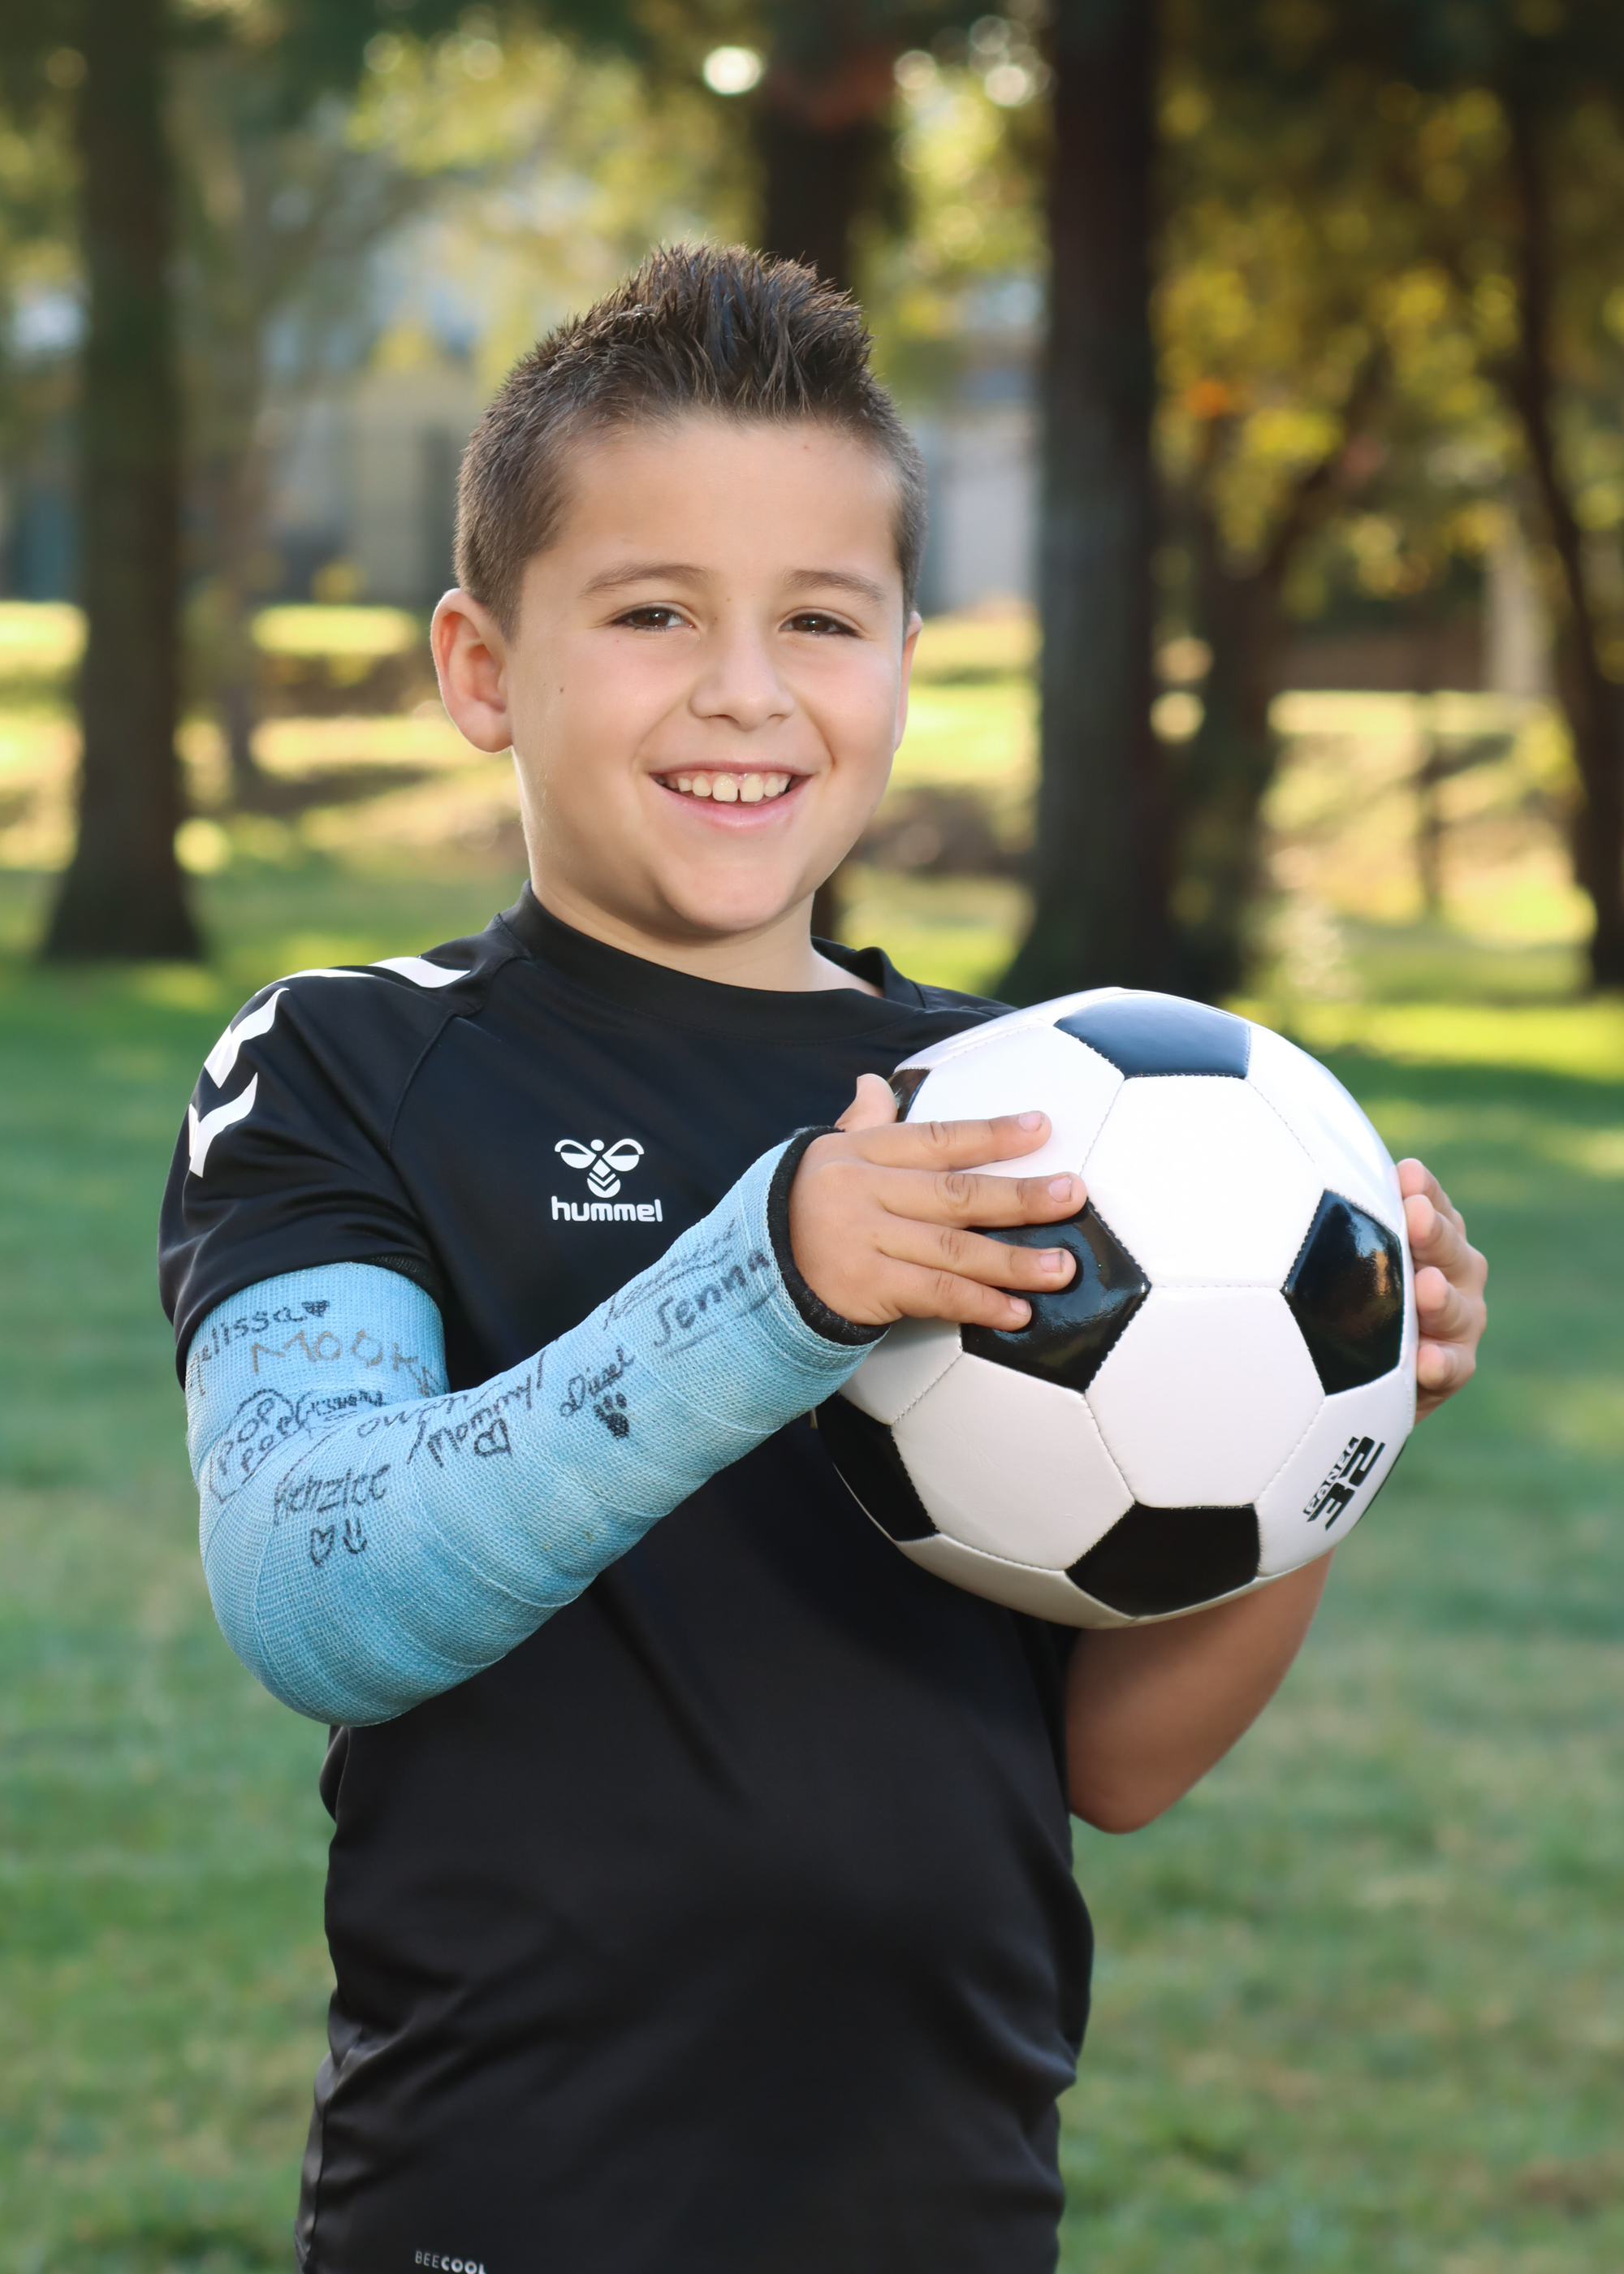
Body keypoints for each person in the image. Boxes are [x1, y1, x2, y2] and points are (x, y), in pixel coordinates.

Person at [159, 245, 1488, 2274]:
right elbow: (315, 1591)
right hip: (507, 2197)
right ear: (482, 664)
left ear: (902, 659)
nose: (745, 688)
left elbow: (1112, 1761)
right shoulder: (349, 1062)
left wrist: (1332, 1401)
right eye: (653, 611)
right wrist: (771, 1281)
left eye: (820, 617)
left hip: (946, 2201)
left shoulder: (1040, 1107)